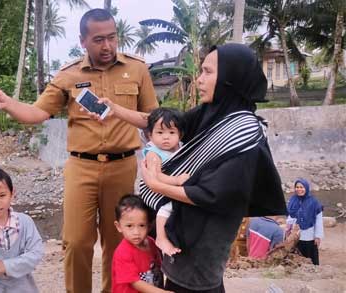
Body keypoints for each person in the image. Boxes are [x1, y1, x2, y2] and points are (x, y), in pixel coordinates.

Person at [0, 8, 158, 292]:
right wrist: (7, 103)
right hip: (82, 167)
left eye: (112, 37)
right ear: (83, 40)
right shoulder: (68, 75)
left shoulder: (138, 69)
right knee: (77, 241)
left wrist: (118, 111)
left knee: (117, 240)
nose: (107, 46)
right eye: (98, 39)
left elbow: (152, 120)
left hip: (123, 166)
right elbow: (36, 113)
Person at [137, 43, 287, 292]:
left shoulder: (244, 132)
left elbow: (212, 194)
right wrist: (113, 111)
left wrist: (155, 184)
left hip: (203, 247)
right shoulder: (214, 112)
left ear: (229, 78)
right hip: (184, 236)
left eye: (207, 72)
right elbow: (161, 123)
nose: (198, 80)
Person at [143, 108, 188, 256]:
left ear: (179, 134)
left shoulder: (180, 148)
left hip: (171, 189)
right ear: (150, 135)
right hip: (158, 192)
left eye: (171, 132)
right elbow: (156, 175)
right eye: (160, 133)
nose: (166, 138)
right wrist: (175, 180)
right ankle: (161, 238)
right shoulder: (153, 153)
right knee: (167, 207)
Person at [112, 194, 171, 293]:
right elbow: (135, 282)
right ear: (118, 226)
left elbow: (158, 268)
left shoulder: (152, 243)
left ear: (149, 226)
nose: (136, 232)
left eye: (142, 225)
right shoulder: (123, 252)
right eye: (129, 226)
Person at [287, 178, 323, 265]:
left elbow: (319, 220)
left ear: (306, 188)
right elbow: (289, 216)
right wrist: (289, 231)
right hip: (296, 235)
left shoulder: (314, 202)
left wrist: (318, 236)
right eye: (297, 187)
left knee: (310, 257)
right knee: (295, 256)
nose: (299, 189)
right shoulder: (293, 200)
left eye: (301, 187)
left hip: (309, 235)